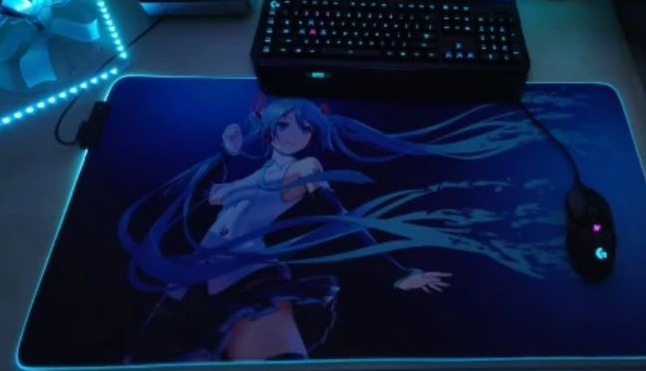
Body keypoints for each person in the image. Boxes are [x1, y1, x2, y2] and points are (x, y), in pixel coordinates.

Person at [119, 97, 537, 361]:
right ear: (270, 127)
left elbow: (340, 218)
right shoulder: (259, 170)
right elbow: (204, 198)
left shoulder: (306, 167)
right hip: (194, 275)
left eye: (304, 127)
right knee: (150, 356)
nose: (294, 133)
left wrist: (395, 272)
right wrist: (225, 155)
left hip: (244, 276)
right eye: (285, 124)